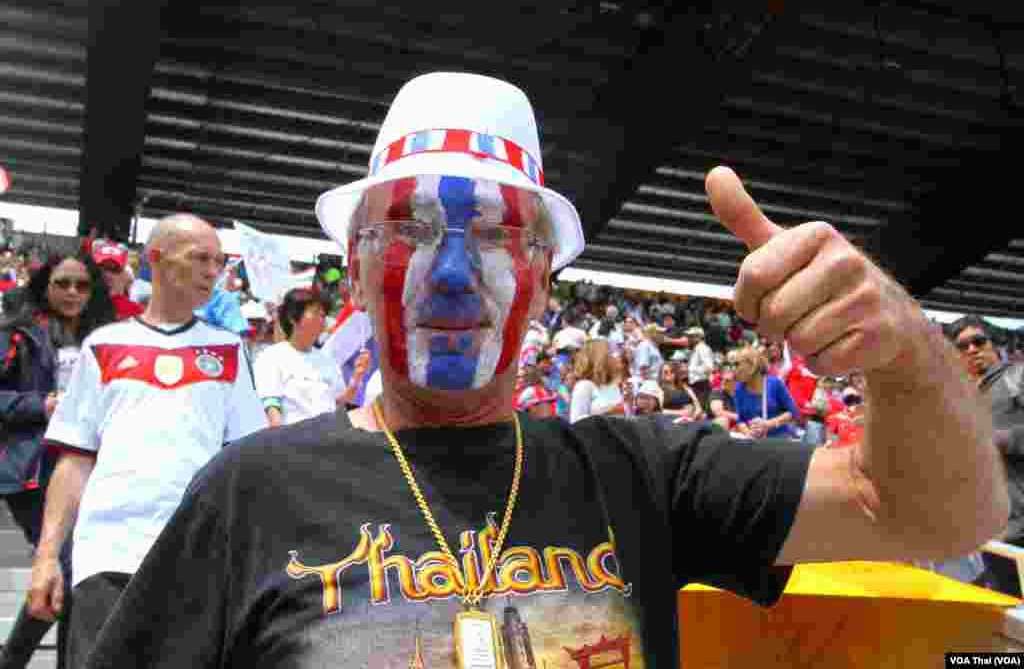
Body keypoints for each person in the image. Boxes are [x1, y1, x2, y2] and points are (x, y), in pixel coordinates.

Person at [82, 72, 1005, 669]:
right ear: (356, 266)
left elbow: (945, 513)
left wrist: (906, 355)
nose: (451, 274)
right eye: (408, 228)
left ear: (541, 274)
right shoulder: (252, 491)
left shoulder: (640, 473)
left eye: (493, 235)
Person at [27, 214, 267, 668]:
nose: (213, 271)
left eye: (218, 261)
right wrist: (46, 558)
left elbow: (246, 461)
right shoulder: (104, 346)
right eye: (199, 258)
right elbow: (74, 461)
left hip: (196, 558)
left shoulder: (228, 351)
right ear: (155, 259)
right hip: (107, 553)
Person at [0, 252, 116, 669]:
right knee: (67, 567)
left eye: (81, 285)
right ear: (43, 286)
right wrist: (42, 405)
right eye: (62, 283)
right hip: (33, 467)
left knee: (78, 573)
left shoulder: (105, 337)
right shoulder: (18, 334)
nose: (72, 293)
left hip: (90, 466)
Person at [950, 316, 1024, 596]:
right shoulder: (961, 397)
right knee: (1008, 608)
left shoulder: (1016, 378)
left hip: (1021, 519)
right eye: (962, 346)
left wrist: (999, 439)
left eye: (978, 341)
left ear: (995, 345)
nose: (971, 349)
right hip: (992, 526)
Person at [254, 287, 345, 427]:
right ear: (292, 318)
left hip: (330, 439)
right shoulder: (271, 357)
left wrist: (356, 380)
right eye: (315, 313)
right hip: (293, 442)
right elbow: (271, 407)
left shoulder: (328, 359)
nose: (322, 320)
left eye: (323, 315)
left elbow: (338, 402)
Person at [732, 346, 803, 440]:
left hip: (779, 440)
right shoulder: (738, 388)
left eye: (737, 364)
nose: (734, 369)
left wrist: (769, 424)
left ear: (752, 365)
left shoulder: (774, 383)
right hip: (754, 442)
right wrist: (748, 434)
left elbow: (793, 412)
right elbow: (740, 419)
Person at [570, 338, 626, 422]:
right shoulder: (584, 386)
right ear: (599, 358)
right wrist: (608, 412)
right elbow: (576, 422)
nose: (615, 357)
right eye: (609, 353)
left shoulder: (613, 386)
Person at [91, 243, 144, 321]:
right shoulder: (82, 302)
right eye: (103, 268)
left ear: (124, 274)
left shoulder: (137, 311)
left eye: (114, 269)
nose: (108, 274)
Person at [687, 326, 714, 408]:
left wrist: (690, 369)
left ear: (699, 337)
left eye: (691, 336)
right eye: (689, 336)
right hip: (698, 385)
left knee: (701, 410)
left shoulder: (702, 348)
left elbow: (709, 367)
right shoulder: (697, 348)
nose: (689, 338)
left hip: (701, 386)